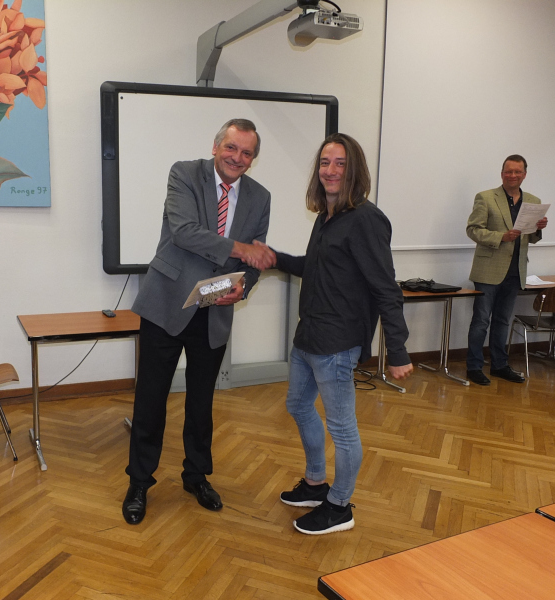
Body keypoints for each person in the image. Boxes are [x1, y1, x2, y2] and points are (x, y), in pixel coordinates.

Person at [252, 132, 413, 535]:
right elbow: (315, 266)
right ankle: (315, 483)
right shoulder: (327, 216)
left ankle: (340, 506)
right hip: (309, 335)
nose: (331, 170)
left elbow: (386, 288)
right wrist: (275, 258)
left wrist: (398, 350)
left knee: (341, 428)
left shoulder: (366, 219)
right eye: (325, 162)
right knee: (298, 405)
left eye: (340, 163)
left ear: (354, 170)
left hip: (337, 343)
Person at [122, 118, 273, 525]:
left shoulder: (260, 197)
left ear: (253, 159)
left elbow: (256, 257)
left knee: (202, 402)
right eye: (231, 148)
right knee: (151, 399)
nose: (237, 158)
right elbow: (185, 232)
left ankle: (197, 476)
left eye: (246, 153)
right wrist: (240, 248)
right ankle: (139, 481)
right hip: (167, 303)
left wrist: (245, 286)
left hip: (215, 311)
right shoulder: (185, 174)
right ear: (216, 146)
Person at [465, 155, 548, 386]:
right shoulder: (485, 197)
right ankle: (474, 367)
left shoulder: (533, 201)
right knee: (481, 321)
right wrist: (501, 237)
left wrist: (538, 229)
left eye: (517, 172)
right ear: (502, 174)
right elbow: (473, 230)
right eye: (508, 171)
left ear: (524, 174)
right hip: (488, 270)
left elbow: (531, 238)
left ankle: (499, 365)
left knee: (502, 321)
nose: (513, 175)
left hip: (515, 271)